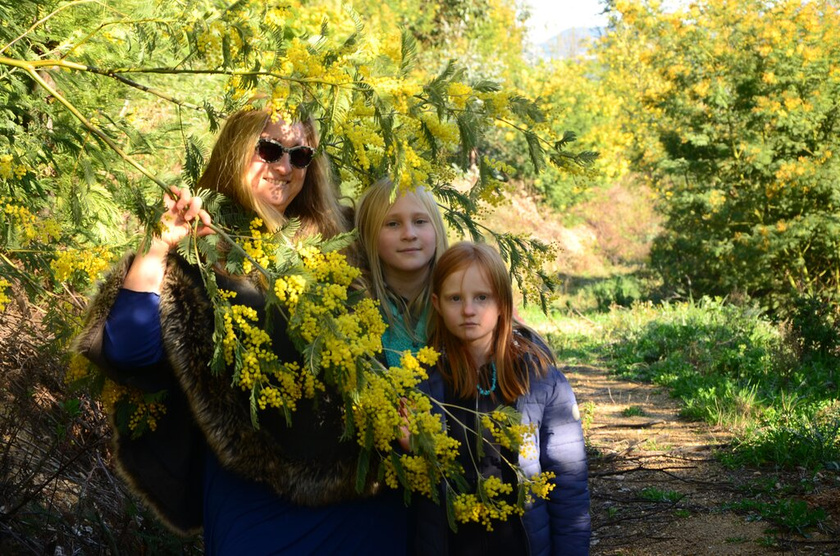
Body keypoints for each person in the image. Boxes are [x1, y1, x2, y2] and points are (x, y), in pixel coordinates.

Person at [73, 107, 407, 554]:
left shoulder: (344, 239)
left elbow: (427, 287)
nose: (285, 166)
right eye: (269, 149)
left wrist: (500, 323)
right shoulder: (196, 249)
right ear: (235, 150)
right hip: (256, 496)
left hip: (368, 493)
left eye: (300, 156)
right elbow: (127, 352)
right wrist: (157, 247)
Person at [416, 241, 591, 556]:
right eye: (455, 298)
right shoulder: (424, 382)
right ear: (437, 304)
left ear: (502, 303)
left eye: (481, 297)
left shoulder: (541, 380)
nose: (468, 310)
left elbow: (569, 487)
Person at [355, 178, 448, 368]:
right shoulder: (355, 308)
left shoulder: (463, 299)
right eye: (393, 224)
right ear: (369, 234)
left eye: (420, 221)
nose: (409, 234)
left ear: (437, 229)